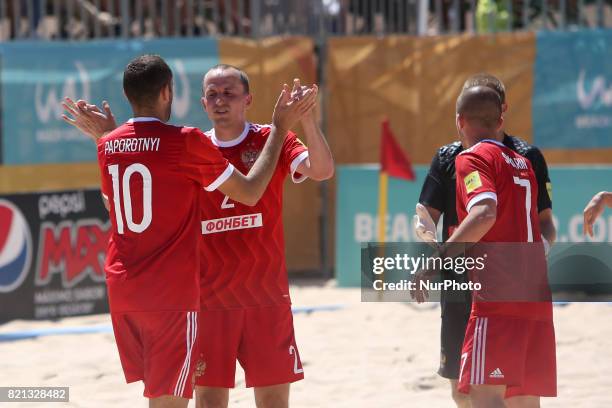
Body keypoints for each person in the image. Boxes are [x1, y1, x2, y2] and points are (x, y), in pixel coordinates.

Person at [63, 64, 332, 408]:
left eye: (229, 93)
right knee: (208, 402)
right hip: (207, 299)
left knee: (274, 401)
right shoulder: (191, 145)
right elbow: (138, 187)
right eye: (212, 95)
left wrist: (306, 119)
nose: (220, 101)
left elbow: (322, 170)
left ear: (248, 99)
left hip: (264, 294)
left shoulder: (266, 139)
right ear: (202, 103)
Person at [414, 73, 555, 408]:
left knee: (483, 395)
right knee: (520, 396)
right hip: (531, 295)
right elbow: (428, 214)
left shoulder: (474, 158)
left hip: (494, 294)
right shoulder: (521, 163)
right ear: (499, 117)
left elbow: (484, 213)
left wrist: (436, 261)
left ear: (460, 120)